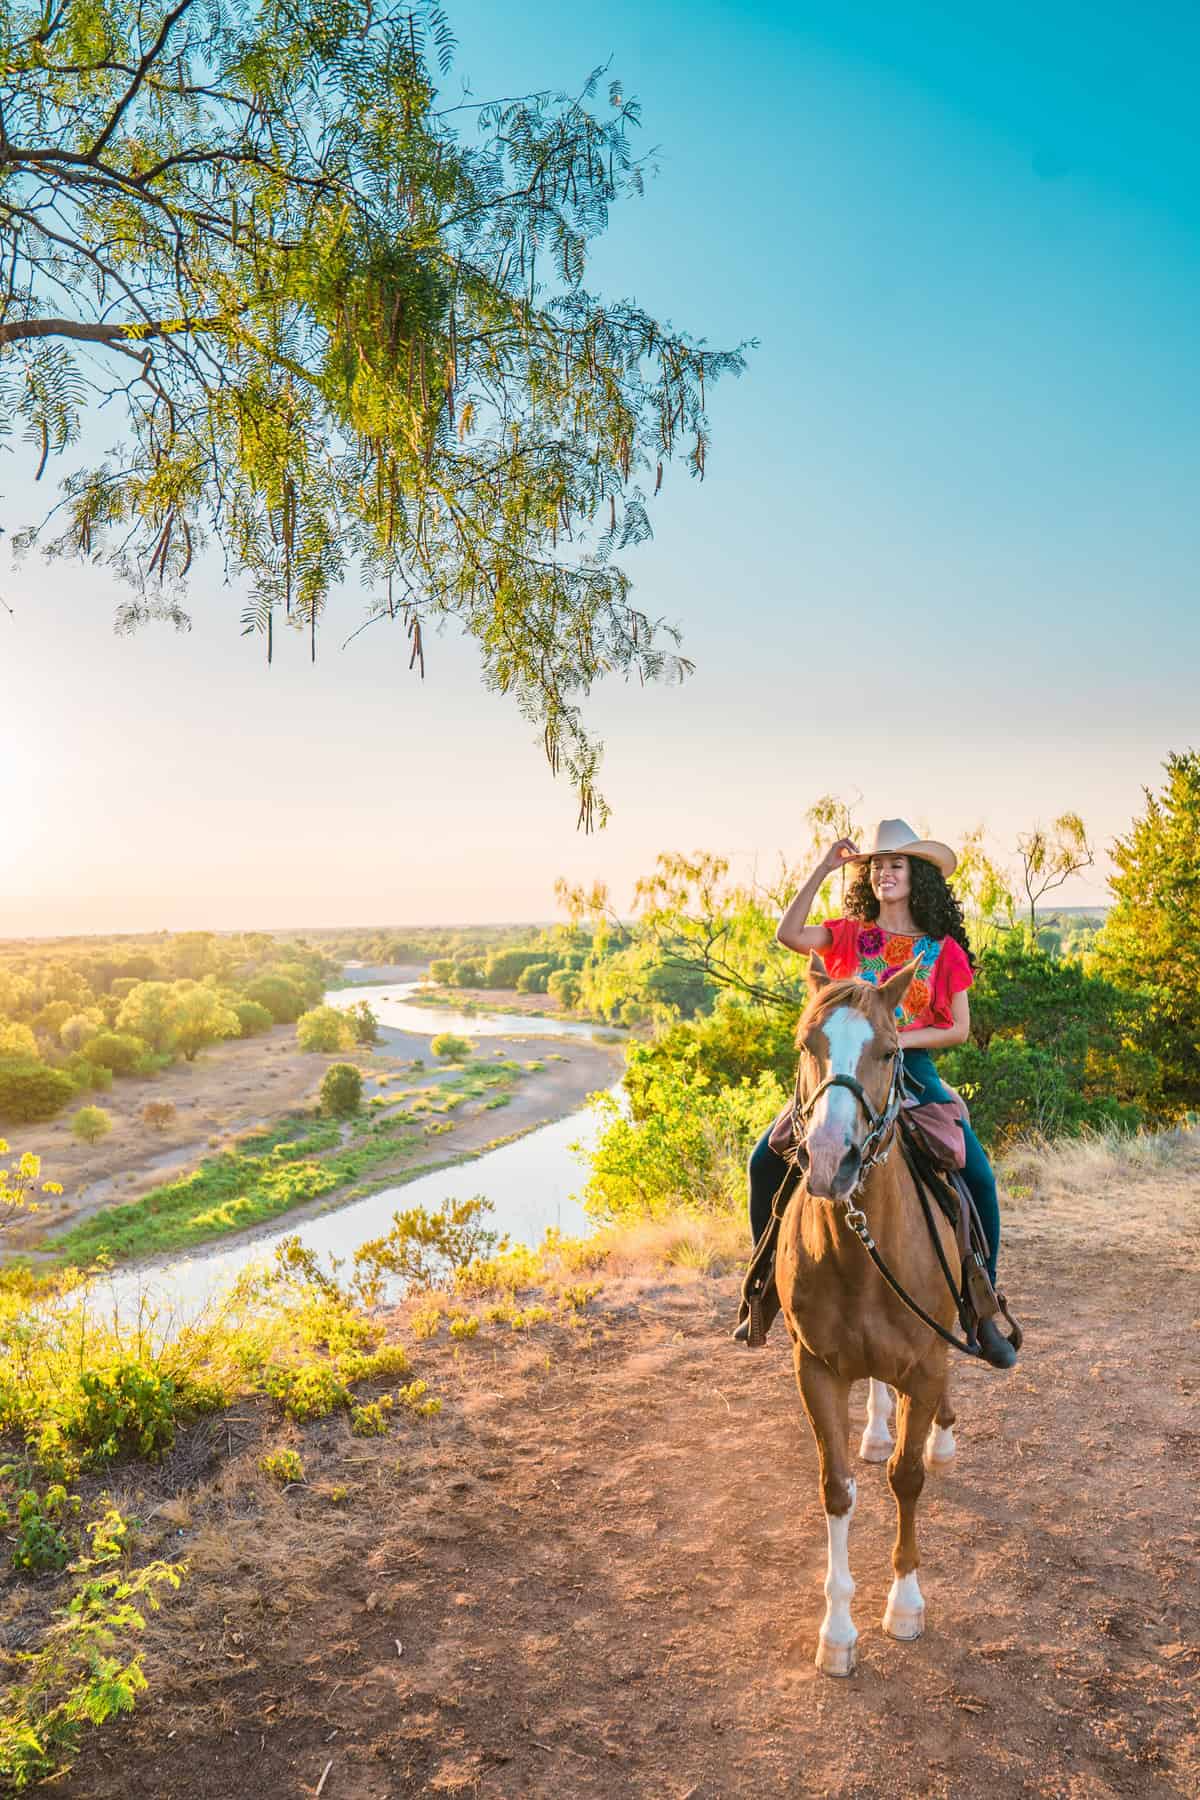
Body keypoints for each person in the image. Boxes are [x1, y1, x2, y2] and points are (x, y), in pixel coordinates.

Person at [737, 817, 1016, 1369]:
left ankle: (981, 1305)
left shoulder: (944, 951)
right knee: (764, 1161)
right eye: (877, 865)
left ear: (918, 876)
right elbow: (788, 935)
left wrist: (891, 1038)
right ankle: (763, 1286)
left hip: (912, 1071)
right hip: (841, 1072)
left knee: (977, 1176)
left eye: (897, 864)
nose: (885, 873)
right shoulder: (845, 933)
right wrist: (823, 866)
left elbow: (958, 1027)